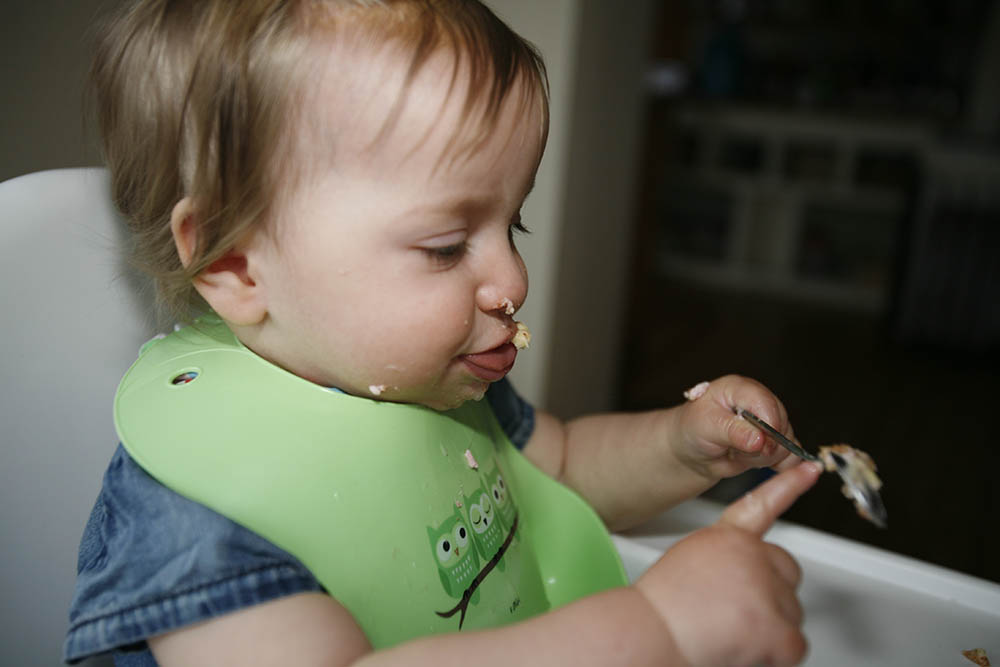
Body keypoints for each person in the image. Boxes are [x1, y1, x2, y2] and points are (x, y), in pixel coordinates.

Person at [65, 1, 823, 665]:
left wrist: (680, 447)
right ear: (235, 263)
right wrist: (659, 630)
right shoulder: (202, 506)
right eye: (446, 246)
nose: (514, 280)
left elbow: (558, 468)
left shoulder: (429, 382)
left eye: (513, 224)